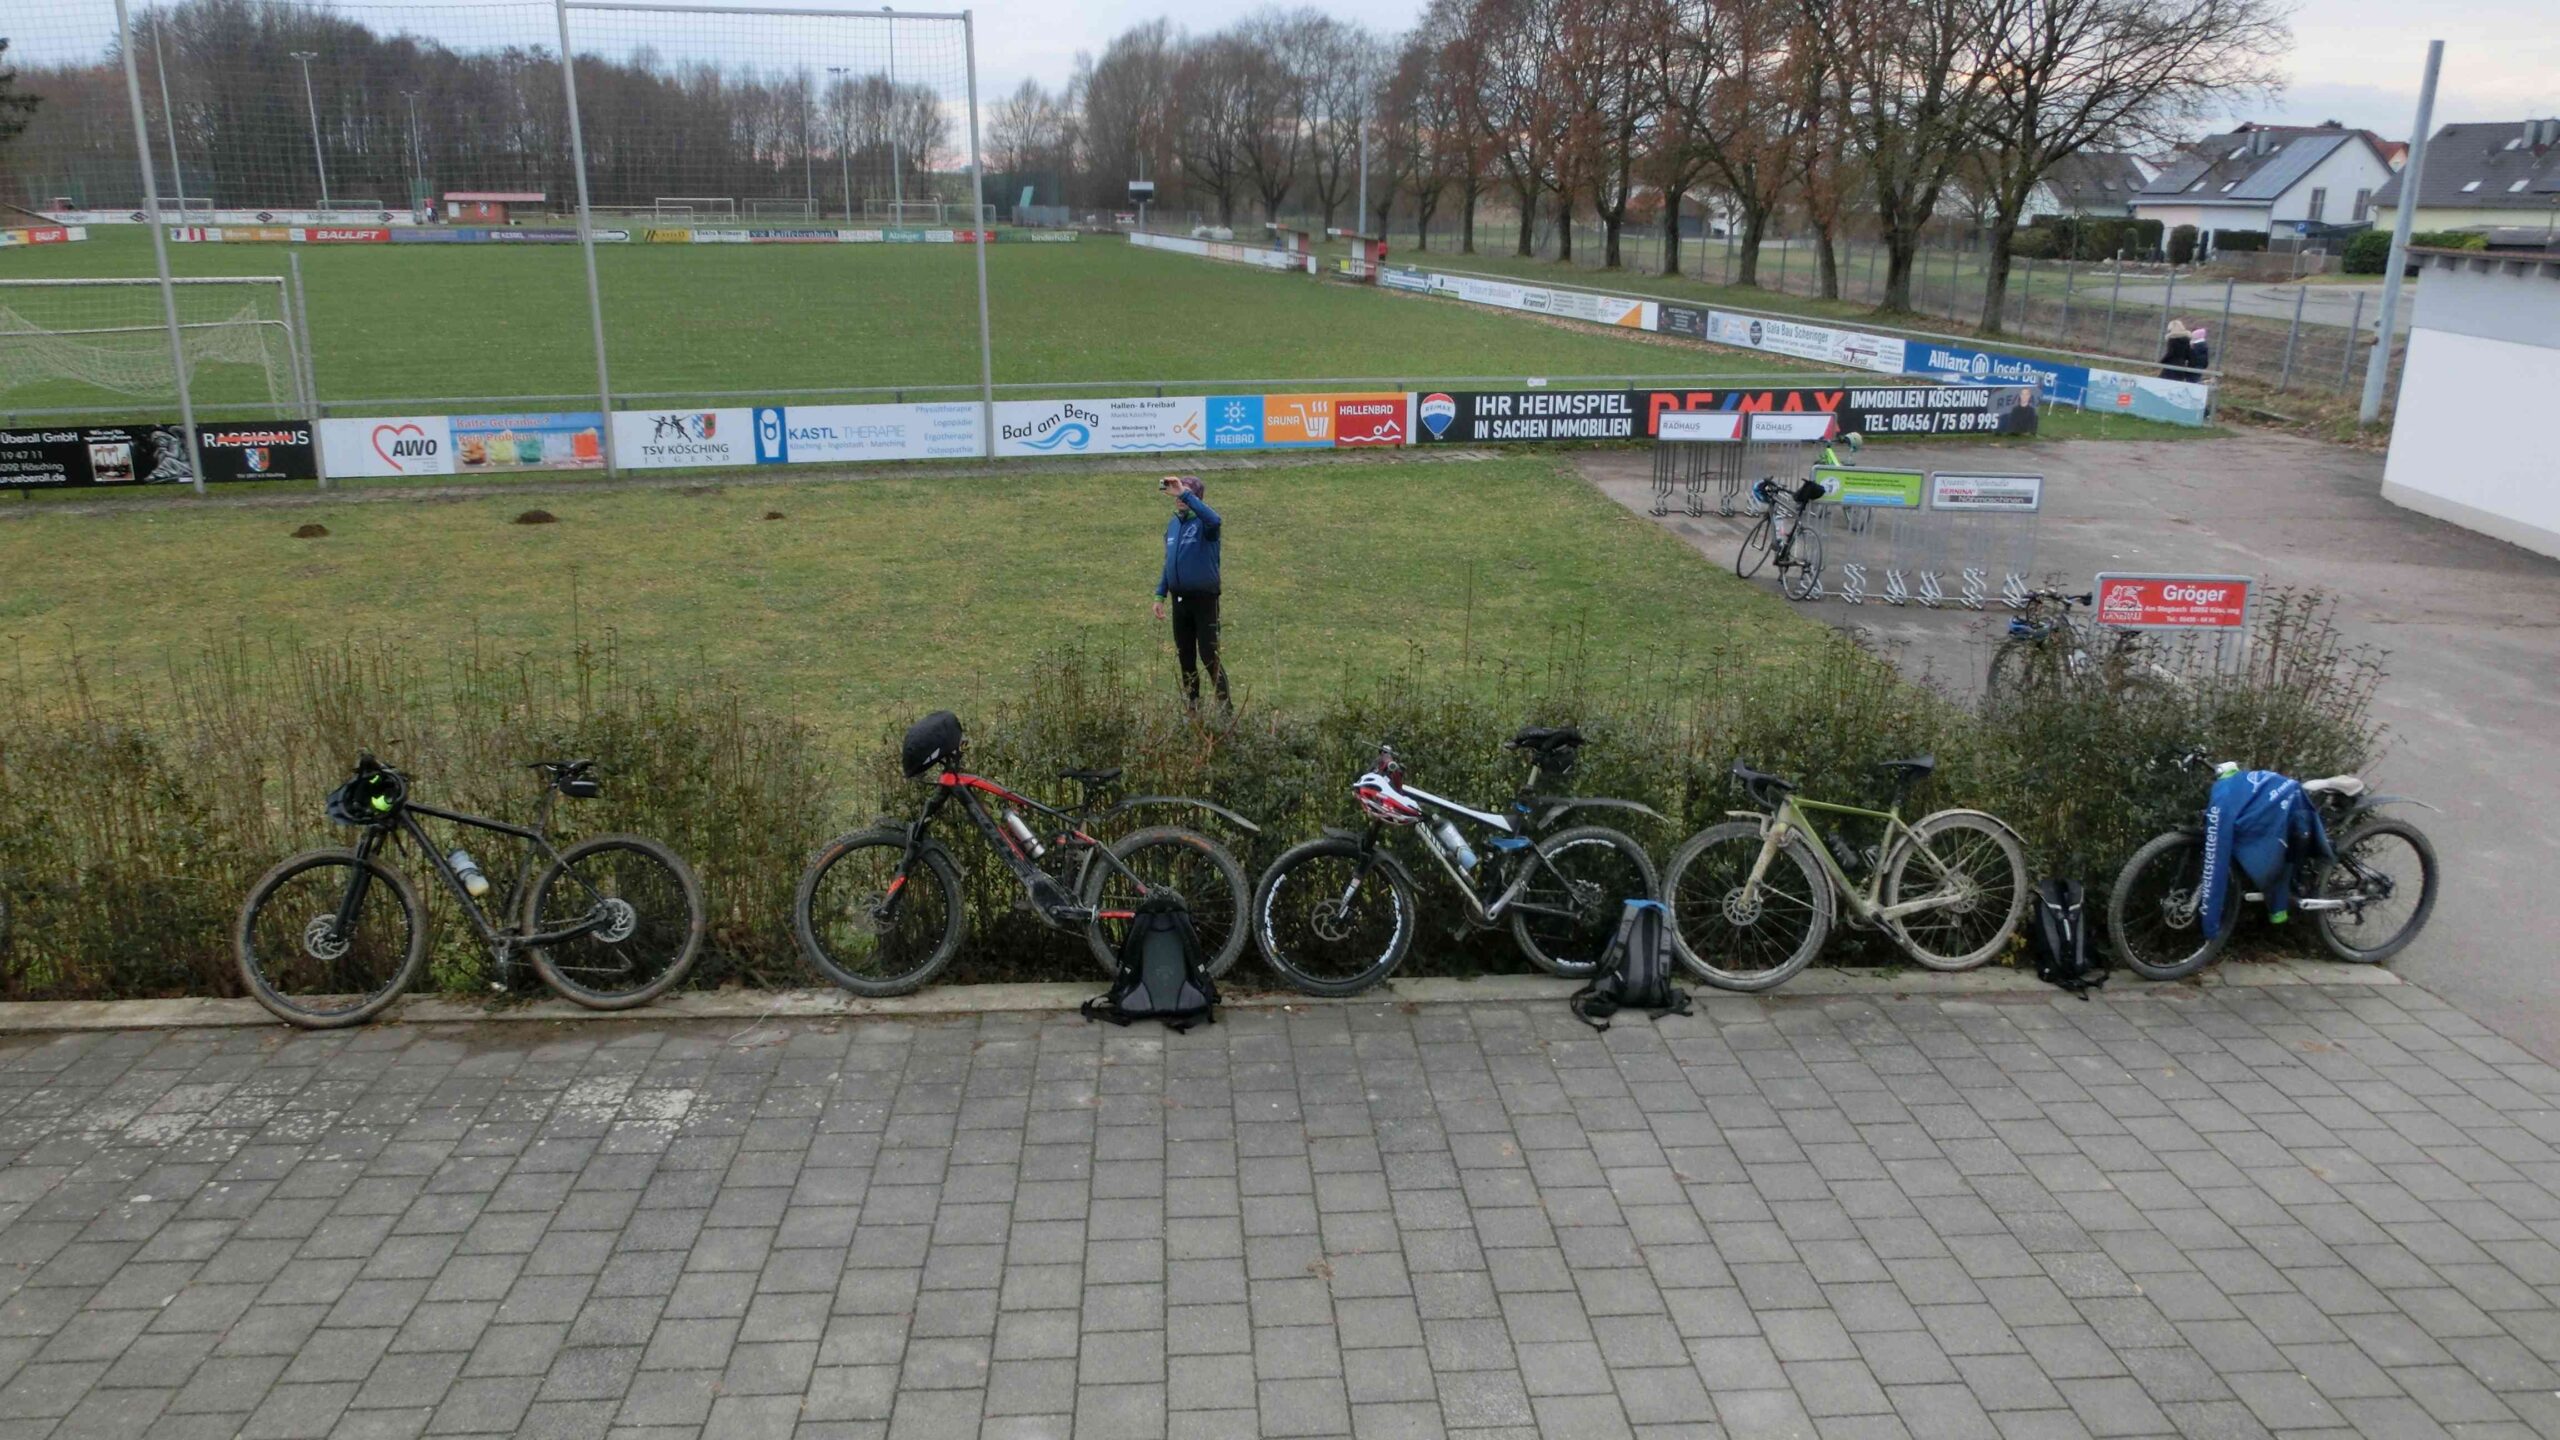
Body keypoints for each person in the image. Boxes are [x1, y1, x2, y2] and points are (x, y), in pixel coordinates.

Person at [1152, 475, 1229, 713]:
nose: (1178, 497)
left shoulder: (1206, 524)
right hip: (1180, 601)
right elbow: (1169, 563)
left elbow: (1215, 519)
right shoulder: (1174, 525)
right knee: (1185, 655)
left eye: (1184, 493)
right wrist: (1160, 595)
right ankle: (1193, 706)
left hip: (1204, 599)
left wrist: (1185, 494)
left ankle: (1225, 708)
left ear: (1196, 497)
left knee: (1208, 655)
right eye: (1176, 492)